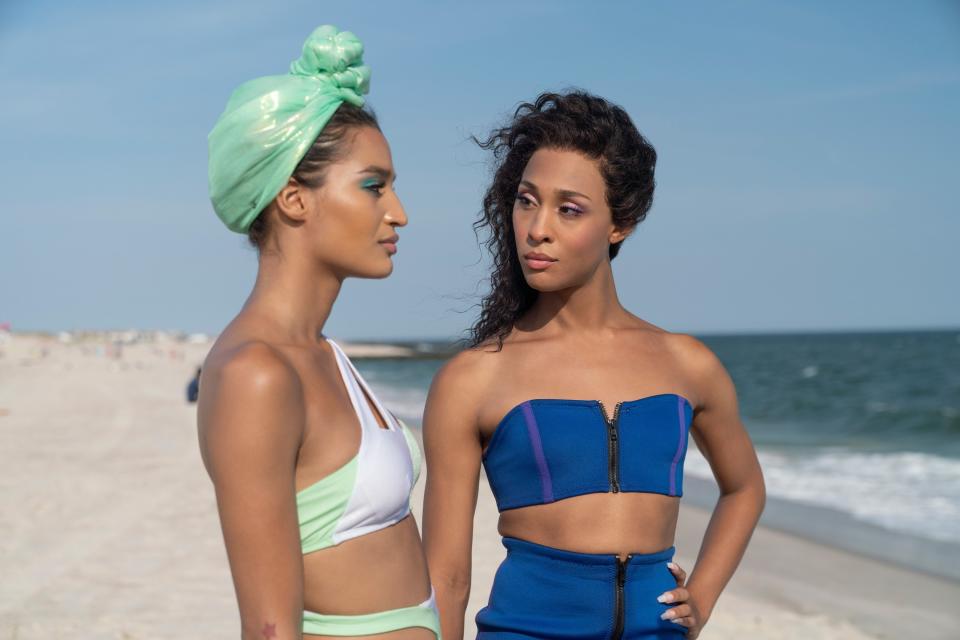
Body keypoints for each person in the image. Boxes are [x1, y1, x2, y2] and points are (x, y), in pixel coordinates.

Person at [422, 91, 765, 639]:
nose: (537, 228)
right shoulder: (474, 378)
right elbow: (446, 575)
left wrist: (701, 596)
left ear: (620, 222)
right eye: (526, 201)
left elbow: (745, 488)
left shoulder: (686, 363)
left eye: (569, 209)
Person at [198, 26, 440, 639]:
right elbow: (272, 627)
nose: (399, 212)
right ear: (293, 200)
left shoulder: (324, 354)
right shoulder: (256, 373)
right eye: (373, 185)